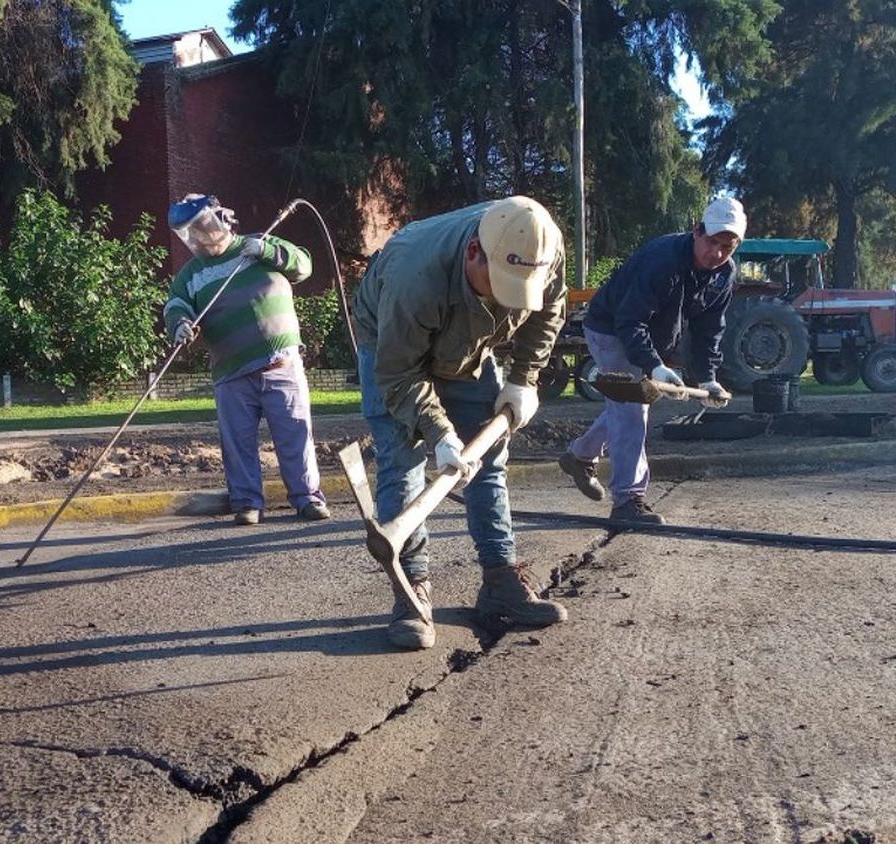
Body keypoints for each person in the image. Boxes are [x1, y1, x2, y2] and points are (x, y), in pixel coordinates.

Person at [353, 195, 569, 651]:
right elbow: (397, 374)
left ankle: (499, 581)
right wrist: (439, 433)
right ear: (475, 252)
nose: (504, 295)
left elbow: (548, 311)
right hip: (394, 352)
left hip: (472, 348)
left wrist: (523, 379)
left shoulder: (541, 244)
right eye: (499, 282)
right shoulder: (414, 276)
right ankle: (411, 590)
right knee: (403, 465)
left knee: (487, 460)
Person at [557, 197, 746, 524]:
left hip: (647, 336)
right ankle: (628, 501)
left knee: (626, 405)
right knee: (631, 408)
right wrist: (655, 366)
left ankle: (579, 456)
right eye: (712, 242)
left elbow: (710, 327)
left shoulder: (723, 276)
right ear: (696, 231)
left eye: (726, 247)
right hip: (610, 328)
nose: (716, 254)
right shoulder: (662, 260)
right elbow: (630, 321)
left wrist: (707, 377)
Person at [164, 193, 330, 526]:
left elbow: (304, 265)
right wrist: (180, 324)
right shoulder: (190, 275)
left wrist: (267, 251)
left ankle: (307, 499)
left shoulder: (259, 245)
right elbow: (175, 305)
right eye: (189, 232)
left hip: (281, 364)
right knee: (237, 443)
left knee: (295, 434)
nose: (198, 236)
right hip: (231, 373)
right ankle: (247, 503)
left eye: (202, 225)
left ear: (220, 219)